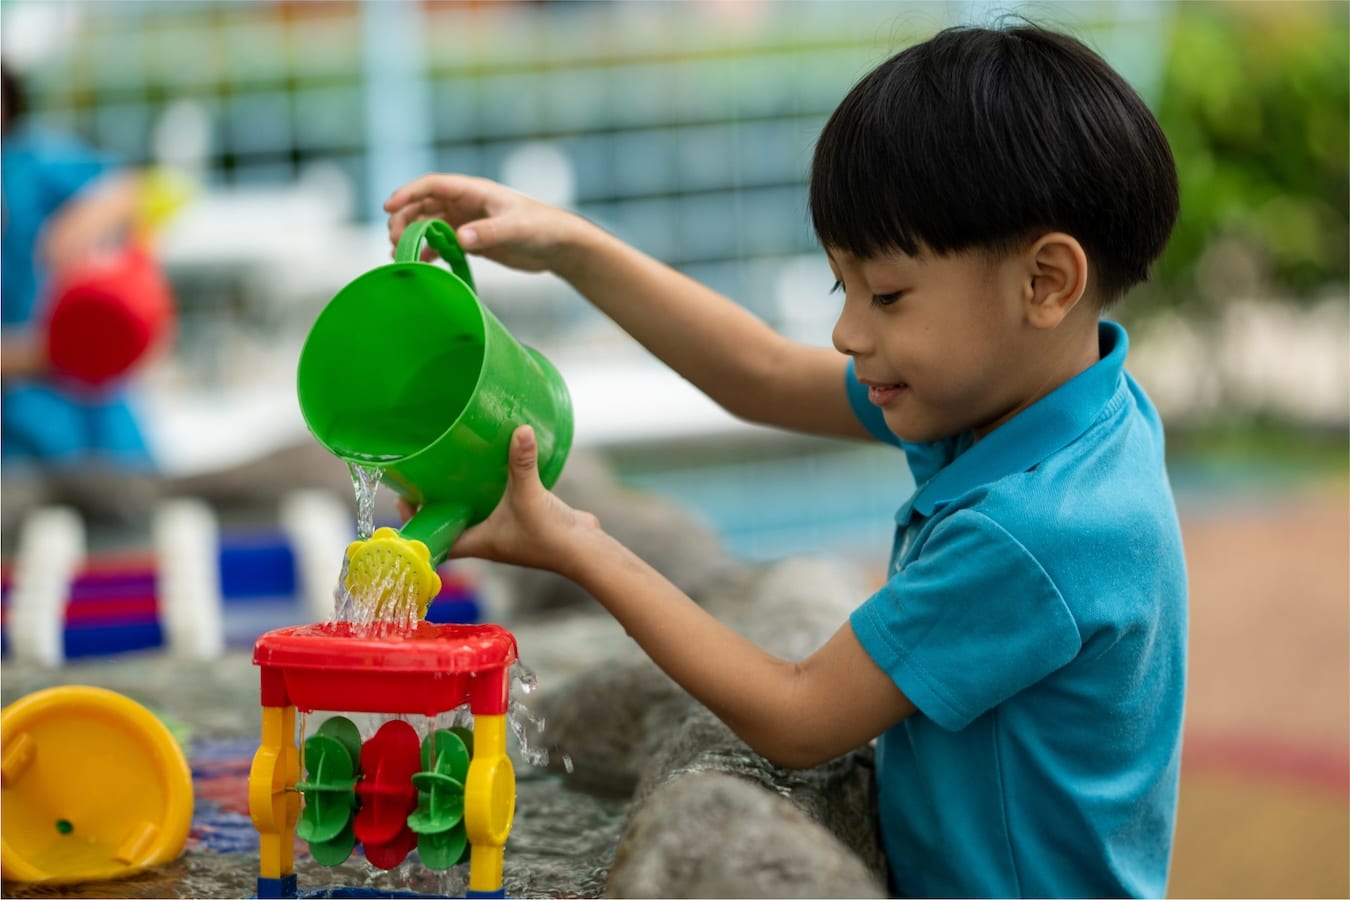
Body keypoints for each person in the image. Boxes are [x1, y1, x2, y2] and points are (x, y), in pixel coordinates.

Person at [385, 23, 1186, 899]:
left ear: (1046, 282)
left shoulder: (1035, 531)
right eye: (846, 289)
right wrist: (572, 247)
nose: (848, 333)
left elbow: (800, 715)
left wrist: (578, 545)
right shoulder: (1051, 401)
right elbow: (761, 373)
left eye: (886, 295)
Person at [1, 64, 159, 540]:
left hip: (96, 431)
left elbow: (132, 191)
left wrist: (85, 219)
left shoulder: (30, 165)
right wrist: (43, 355)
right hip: (16, 455)